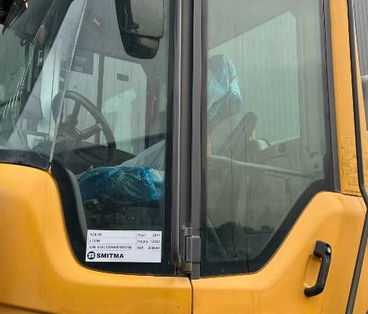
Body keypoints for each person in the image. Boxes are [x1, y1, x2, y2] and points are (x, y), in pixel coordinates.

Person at [77, 55, 246, 206]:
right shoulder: (187, 139)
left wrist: (109, 179)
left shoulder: (208, 142)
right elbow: (143, 165)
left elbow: (175, 182)